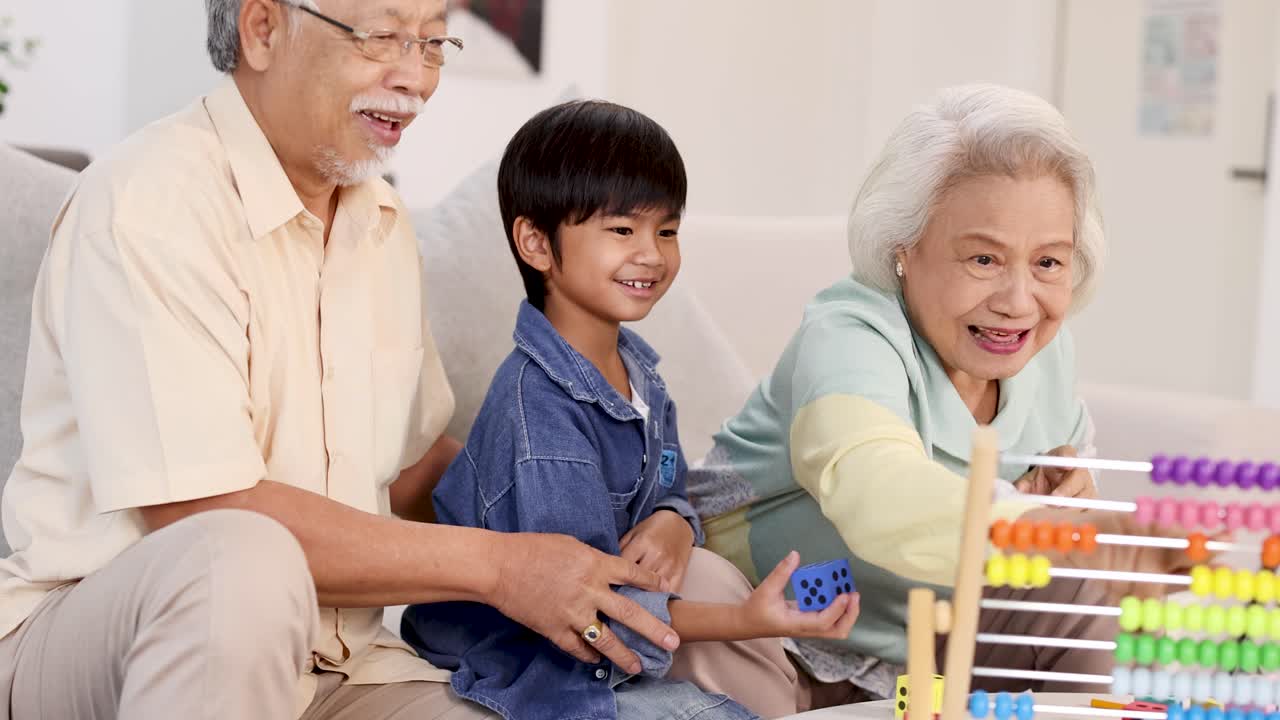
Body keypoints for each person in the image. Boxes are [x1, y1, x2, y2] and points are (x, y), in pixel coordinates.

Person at [0, 2, 681, 718]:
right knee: (241, 561)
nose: (415, 79)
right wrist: (503, 569)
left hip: (341, 666)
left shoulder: (378, 224)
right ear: (263, 29)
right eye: (384, 37)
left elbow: (413, 467)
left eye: (433, 44)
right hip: (106, 645)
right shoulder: (150, 202)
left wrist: (622, 520)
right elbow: (202, 508)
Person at [675, 84, 1198, 715]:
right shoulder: (849, 336)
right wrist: (1044, 529)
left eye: (1049, 264)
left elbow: (1070, 498)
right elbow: (876, 490)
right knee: (698, 581)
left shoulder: (1043, 351)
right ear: (904, 248)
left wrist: (1072, 493)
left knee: (1080, 587)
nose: (1018, 300)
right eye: (984, 258)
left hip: (923, 664)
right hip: (773, 642)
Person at [401, 99, 861, 720]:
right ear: (537, 242)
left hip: (615, 637)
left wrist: (673, 519)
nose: (652, 253)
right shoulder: (541, 416)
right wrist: (746, 619)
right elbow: (584, 607)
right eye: (622, 230)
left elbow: (668, 490)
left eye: (666, 231)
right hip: (543, 660)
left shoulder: (639, 374)